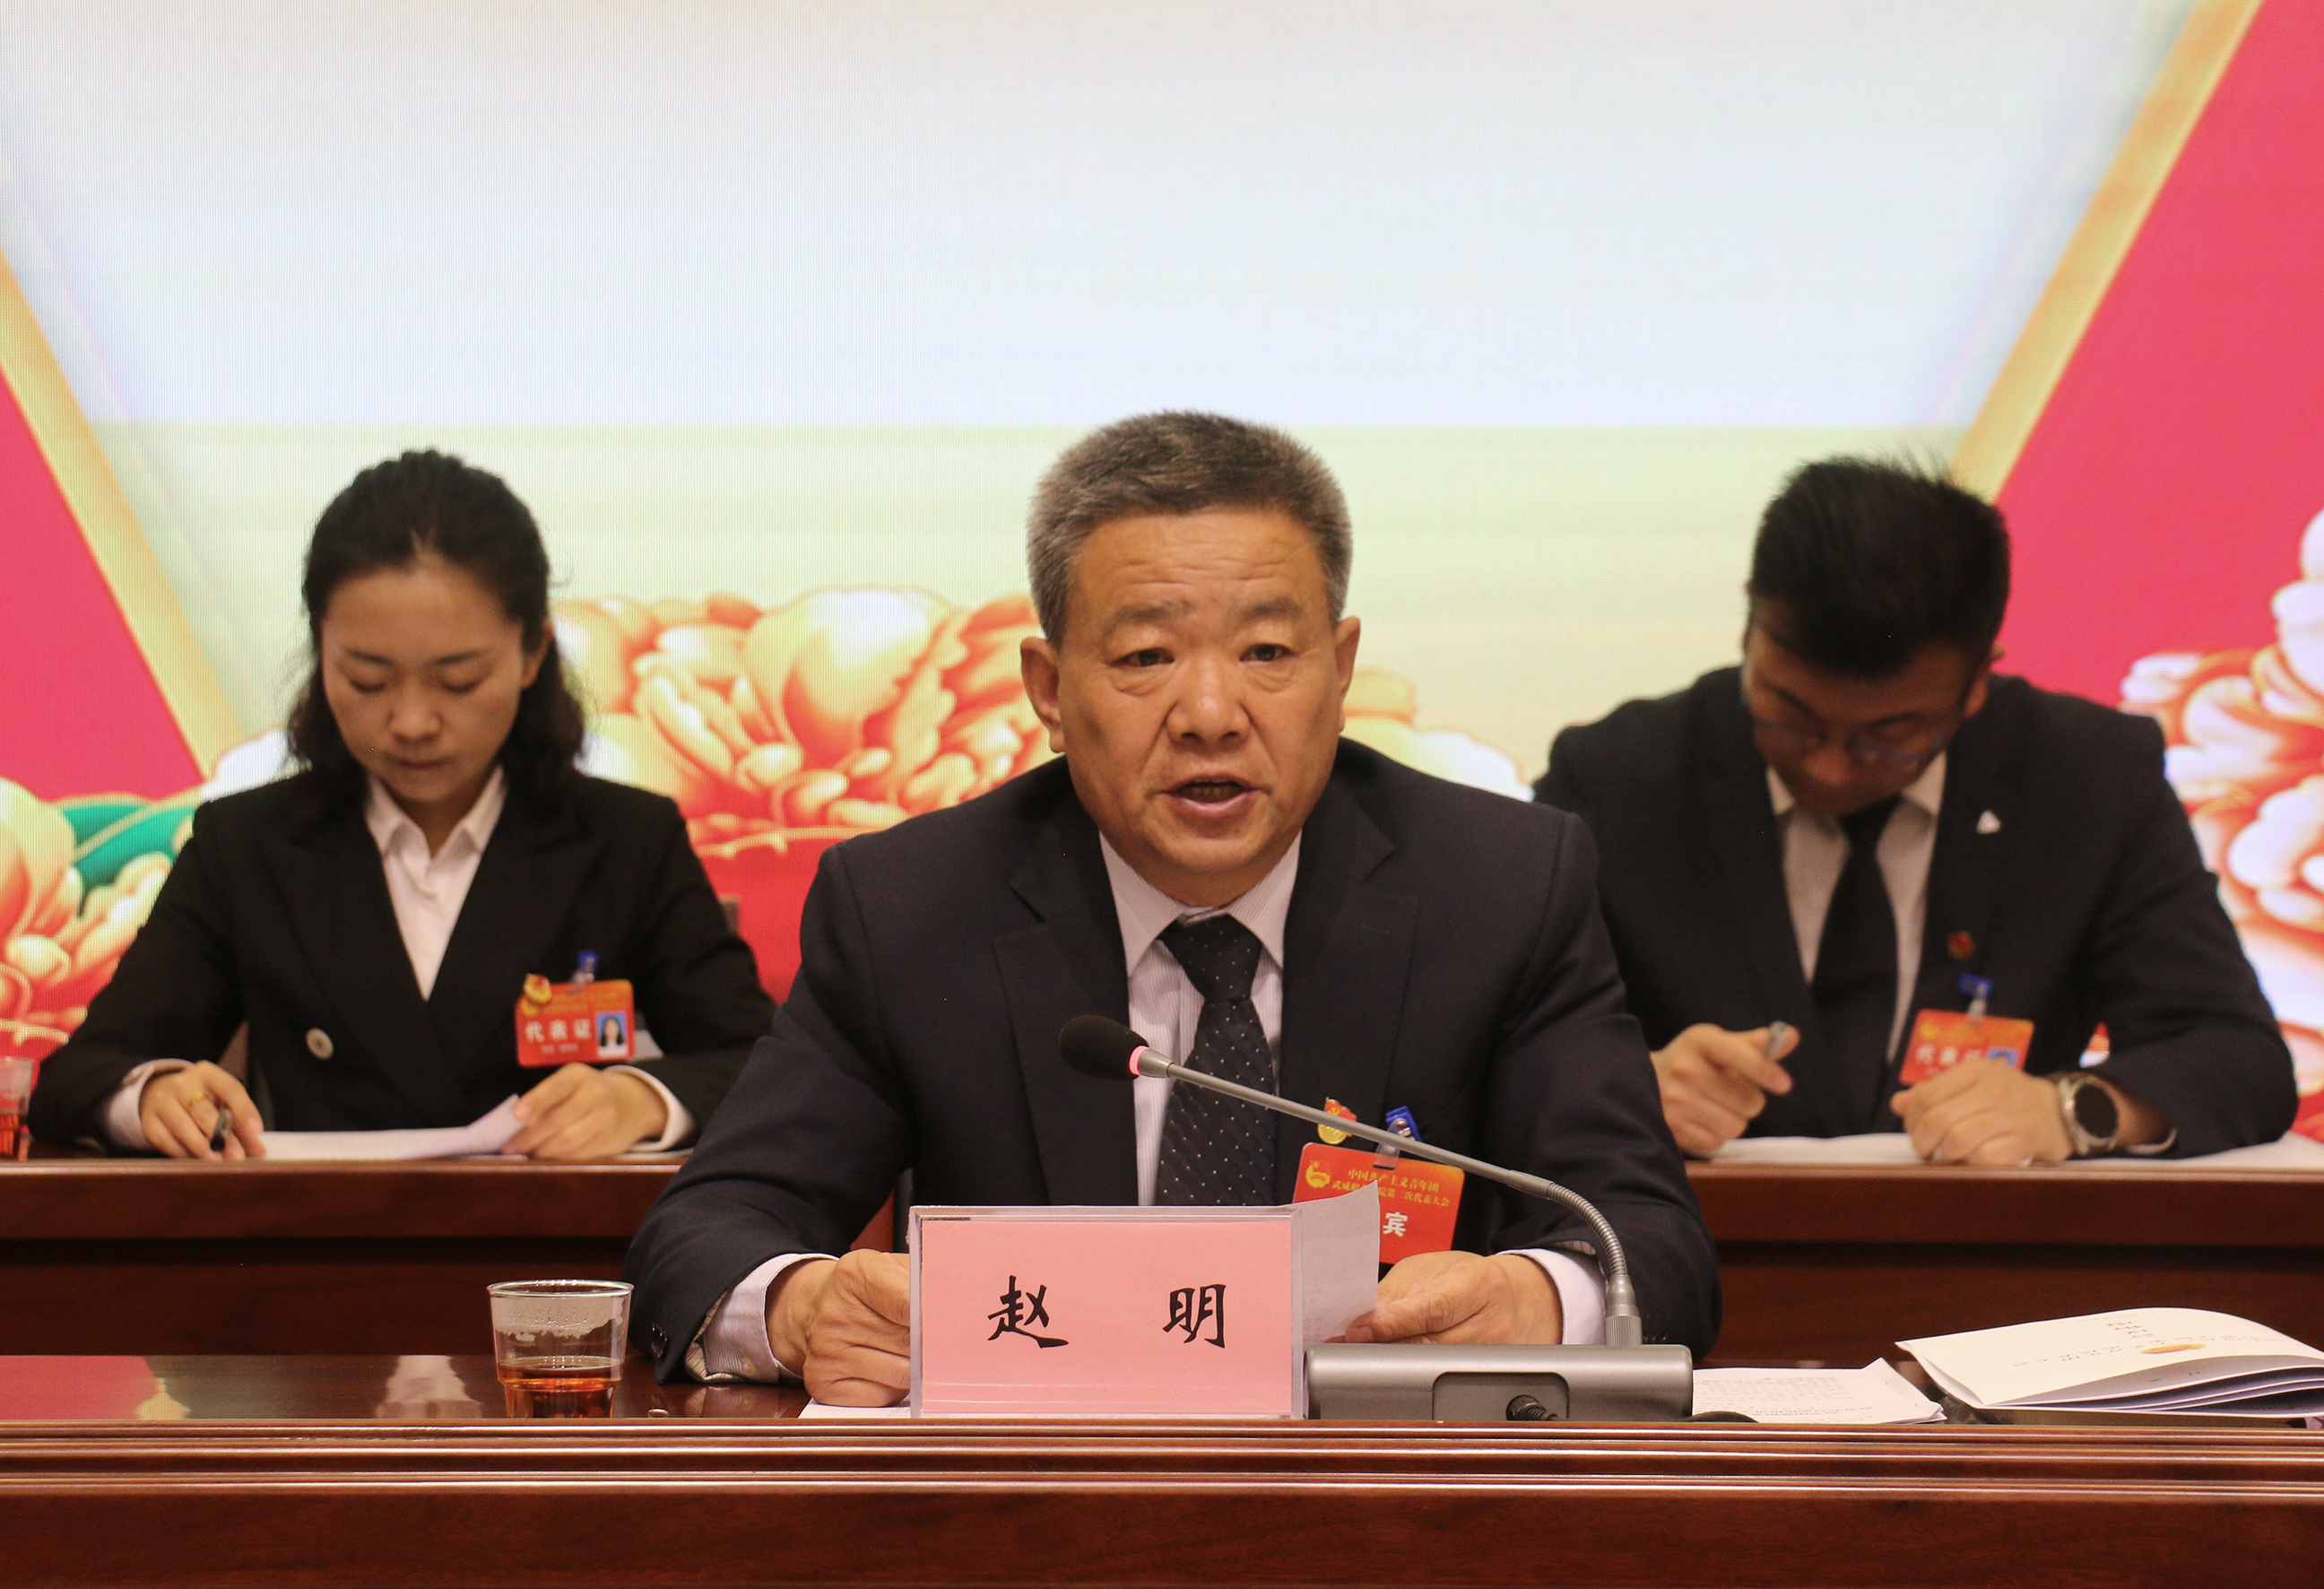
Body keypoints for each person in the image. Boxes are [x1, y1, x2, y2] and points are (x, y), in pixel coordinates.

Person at [624, 412, 1717, 1402]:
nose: (1210, 713)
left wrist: (1536, 1296)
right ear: (1049, 689)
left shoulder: (1502, 888)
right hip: (1034, 1501)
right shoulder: (912, 907)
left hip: (1383, 1506)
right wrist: (798, 1305)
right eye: (1147, 655)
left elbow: (1648, 1239)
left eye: (1268, 652)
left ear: (1340, 669)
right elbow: (707, 1228)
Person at [1536, 456, 2295, 1165]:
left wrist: (2070, 1110)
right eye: (1791, 716)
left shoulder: (2087, 779)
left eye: (1888, 737)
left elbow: (2237, 1054)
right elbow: (1504, 1050)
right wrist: (1623, 1088)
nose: (1829, 767)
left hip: (1992, 1244)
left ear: (1977, 680)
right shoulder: (1616, 779)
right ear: (1750, 626)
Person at [29, 451, 775, 1161]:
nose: (412, 722)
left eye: (458, 680)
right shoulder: (246, 845)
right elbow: (81, 1075)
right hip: (316, 1239)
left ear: (533, 654)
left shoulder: (628, 840)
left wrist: (644, 1100)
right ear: (320, 651)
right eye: (368, 680)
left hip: (559, 1245)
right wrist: (153, 1093)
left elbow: (757, 1059)